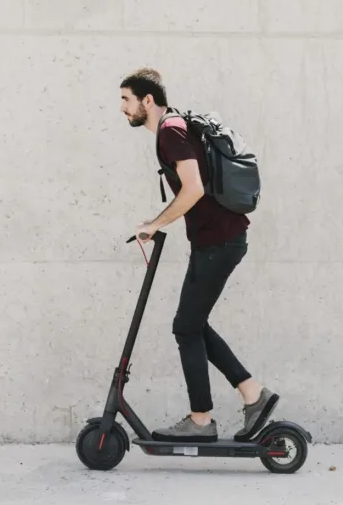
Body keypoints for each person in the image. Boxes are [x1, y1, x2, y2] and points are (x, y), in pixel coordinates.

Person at [118, 67, 279, 443]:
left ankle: (202, 420)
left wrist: (156, 223)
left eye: (126, 100)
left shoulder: (171, 131)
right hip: (216, 241)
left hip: (219, 242)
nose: (122, 108)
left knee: (186, 327)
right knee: (193, 324)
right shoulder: (175, 127)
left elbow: (193, 189)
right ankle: (253, 395)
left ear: (147, 100)